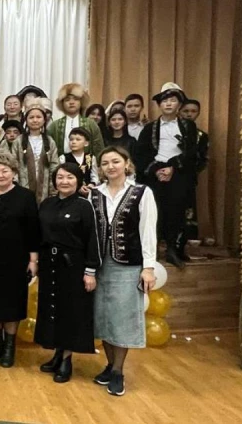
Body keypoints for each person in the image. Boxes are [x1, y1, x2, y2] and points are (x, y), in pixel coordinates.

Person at [91, 146, 158, 396]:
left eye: (115, 161)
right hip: (99, 265)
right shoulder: (94, 194)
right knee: (103, 316)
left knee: (122, 318)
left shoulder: (142, 192)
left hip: (128, 264)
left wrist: (148, 267)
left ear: (126, 164)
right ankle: (109, 365)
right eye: (105, 163)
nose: (111, 166)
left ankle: (118, 371)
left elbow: (147, 231)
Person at [35, 163, 101, 383]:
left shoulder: (84, 206)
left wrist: (90, 271)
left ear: (78, 181)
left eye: (70, 177)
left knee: (70, 312)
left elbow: (92, 238)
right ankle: (57, 353)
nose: (64, 181)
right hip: (49, 264)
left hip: (73, 266)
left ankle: (66, 360)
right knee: (53, 309)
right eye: (60, 177)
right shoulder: (47, 204)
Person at [0, 152, 40, 368]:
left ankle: (10, 347)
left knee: (11, 303)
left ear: (13, 172)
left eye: (5, 171)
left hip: (15, 259)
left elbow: (33, 230)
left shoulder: (25, 196)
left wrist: (33, 260)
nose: (0, 175)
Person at [135, 83, 208, 267]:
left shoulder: (188, 126)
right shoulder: (149, 128)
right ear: (159, 105)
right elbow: (141, 154)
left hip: (179, 172)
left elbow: (192, 152)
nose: (168, 104)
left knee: (176, 211)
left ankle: (173, 250)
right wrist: (156, 170)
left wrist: (173, 168)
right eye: (164, 101)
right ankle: (151, 251)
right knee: (154, 211)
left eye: (173, 100)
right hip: (155, 173)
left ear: (179, 105)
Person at [2, 100, 59, 205]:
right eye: (31, 117)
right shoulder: (18, 141)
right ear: (26, 120)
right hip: (23, 186)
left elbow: (54, 166)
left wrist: (53, 189)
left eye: (38, 117)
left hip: (45, 188)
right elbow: (13, 165)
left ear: (44, 120)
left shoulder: (49, 141)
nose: (35, 120)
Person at [179, 98, 209, 243]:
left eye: (193, 111)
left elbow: (203, 158)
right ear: (179, 111)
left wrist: (192, 170)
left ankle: (188, 237)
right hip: (167, 175)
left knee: (188, 206)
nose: (189, 114)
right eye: (186, 111)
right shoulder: (169, 131)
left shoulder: (201, 136)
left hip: (188, 176)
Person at [49, 83, 105, 157]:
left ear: (81, 102)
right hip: (61, 163)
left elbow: (99, 149)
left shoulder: (91, 124)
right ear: (62, 103)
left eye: (76, 99)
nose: (71, 102)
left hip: (86, 163)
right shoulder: (55, 125)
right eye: (67, 100)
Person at [58, 127, 98, 194]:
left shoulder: (91, 157)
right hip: (70, 192)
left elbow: (94, 176)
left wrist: (92, 184)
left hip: (88, 191)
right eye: (71, 139)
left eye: (78, 139)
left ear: (86, 143)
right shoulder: (63, 158)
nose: (73, 142)